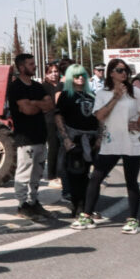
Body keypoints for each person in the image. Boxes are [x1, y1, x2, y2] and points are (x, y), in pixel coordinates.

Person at [71, 57, 140, 233]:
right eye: (120, 70)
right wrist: (115, 98)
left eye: (126, 69)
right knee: (96, 177)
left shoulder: (135, 92)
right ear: (111, 73)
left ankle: (133, 220)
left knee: (131, 181)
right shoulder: (103, 93)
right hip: (111, 142)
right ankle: (87, 216)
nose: (124, 73)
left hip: (131, 141)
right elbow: (99, 116)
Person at [8, 53, 55, 219]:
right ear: (21, 68)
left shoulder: (37, 86)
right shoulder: (16, 87)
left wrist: (34, 103)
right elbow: (27, 110)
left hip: (40, 136)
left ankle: (34, 202)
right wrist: (37, 105)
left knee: (37, 173)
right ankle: (22, 205)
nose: (34, 66)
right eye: (30, 64)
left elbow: (49, 105)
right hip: (25, 138)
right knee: (24, 172)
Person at [54, 64, 100, 216]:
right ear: (70, 78)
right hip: (75, 140)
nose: (80, 78)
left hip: (92, 139)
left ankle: (88, 207)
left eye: (83, 75)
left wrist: (100, 137)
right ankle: (78, 207)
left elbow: (99, 117)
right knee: (75, 174)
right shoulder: (66, 95)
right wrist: (66, 139)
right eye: (76, 75)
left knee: (89, 175)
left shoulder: (91, 94)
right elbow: (58, 116)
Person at [42, 62, 63, 188]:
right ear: (46, 74)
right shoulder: (44, 87)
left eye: (56, 71)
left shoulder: (62, 85)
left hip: (62, 120)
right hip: (49, 120)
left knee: (62, 148)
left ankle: (61, 174)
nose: (54, 74)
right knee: (53, 147)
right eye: (51, 72)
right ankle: (51, 176)